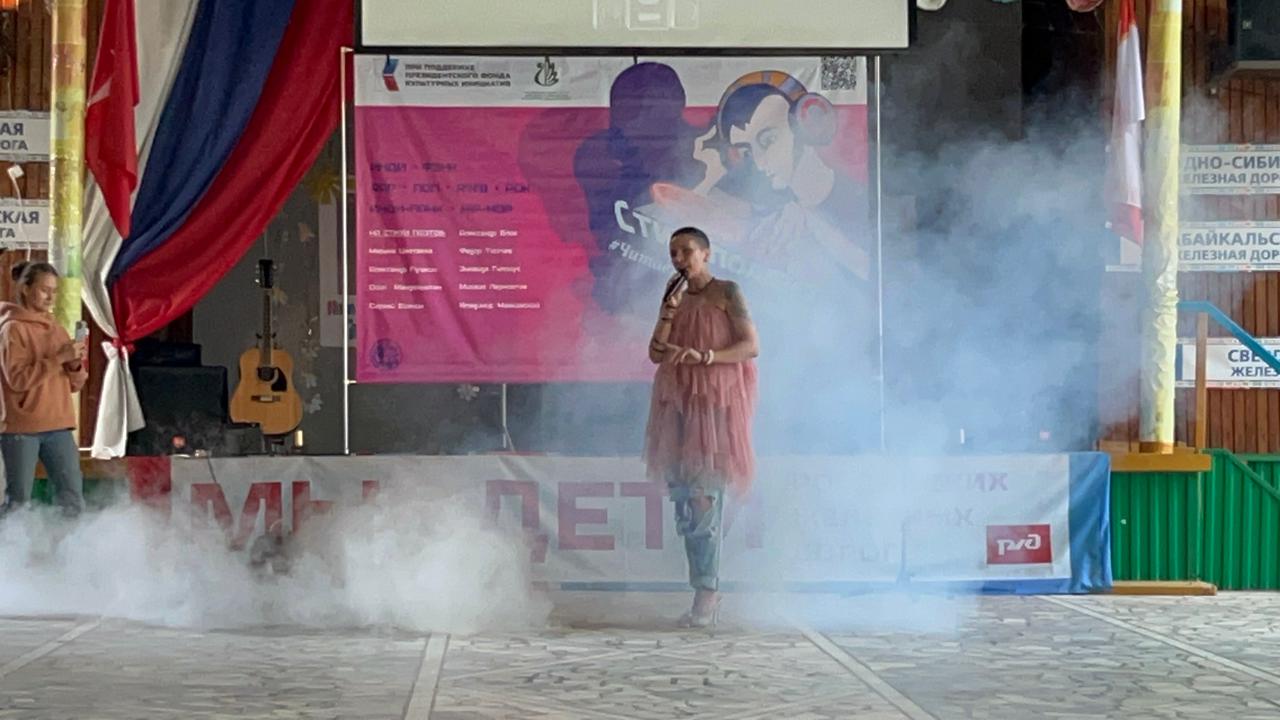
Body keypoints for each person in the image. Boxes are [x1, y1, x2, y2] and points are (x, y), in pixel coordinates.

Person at [644, 227, 759, 627]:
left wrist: (706, 356)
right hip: (677, 401)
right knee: (686, 501)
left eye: (686, 251)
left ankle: (707, 592)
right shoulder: (673, 293)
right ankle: (705, 587)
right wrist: (668, 313)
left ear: (706, 253)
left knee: (703, 496)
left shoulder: (727, 292)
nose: (679, 259)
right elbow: (655, 353)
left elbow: (750, 346)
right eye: (673, 253)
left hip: (715, 404)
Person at [0, 261, 87, 518]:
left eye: (54, 291)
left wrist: (74, 365)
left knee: (72, 499)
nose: (50, 297)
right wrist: (58, 359)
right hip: (21, 428)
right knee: (19, 501)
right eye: (44, 290)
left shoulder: (56, 328)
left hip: (59, 424)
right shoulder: (12, 328)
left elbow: (76, 384)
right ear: (25, 289)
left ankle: (71, 543)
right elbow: (17, 380)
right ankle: (11, 544)